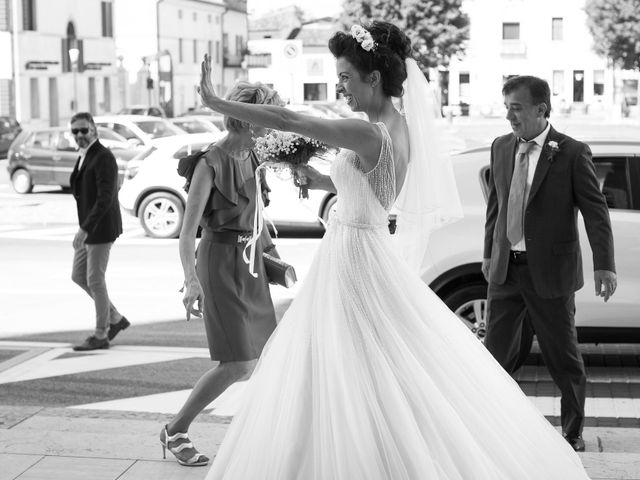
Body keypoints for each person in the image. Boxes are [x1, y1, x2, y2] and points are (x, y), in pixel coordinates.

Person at [197, 22, 591, 479]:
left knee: (342, 361)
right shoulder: (395, 128)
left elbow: (289, 121)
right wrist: (326, 180)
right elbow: (373, 187)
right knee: (362, 362)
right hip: (363, 248)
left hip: (353, 259)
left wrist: (216, 102)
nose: (340, 86)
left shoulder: (370, 133)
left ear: (374, 78)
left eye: (345, 76)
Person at [482, 75, 617, 452]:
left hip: (551, 274)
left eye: (516, 108)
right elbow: (495, 205)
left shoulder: (572, 152)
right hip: (506, 271)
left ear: (541, 109)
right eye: (506, 106)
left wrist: (604, 264)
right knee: (494, 360)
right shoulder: (500, 146)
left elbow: (596, 212)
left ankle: (572, 433)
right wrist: (489, 254)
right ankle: (493, 427)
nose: (509, 116)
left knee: (564, 360)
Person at [159, 81, 283, 467]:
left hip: (251, 264)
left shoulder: (253, 156)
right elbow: (188, 229)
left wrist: (273, 257)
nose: (272, 121)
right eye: (266, 114)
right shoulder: (211, 161)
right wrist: (191, 280)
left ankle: (265, 434)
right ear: (248, 119)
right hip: (218, 263)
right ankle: (176, 429)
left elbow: (258, 218)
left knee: (264, 355)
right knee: (237, 363)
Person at [69, 112, 129, 352]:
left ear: (94, 129)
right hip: (90, 227)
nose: (80, 135)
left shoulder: (103, 156)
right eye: (75, 131)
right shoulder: (84, 155)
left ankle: (101, 334)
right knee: (78, 275)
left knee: (94, 279)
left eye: (84, 130)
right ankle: (115, 317)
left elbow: (105, 198)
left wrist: (85, 228)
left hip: (100, 227)